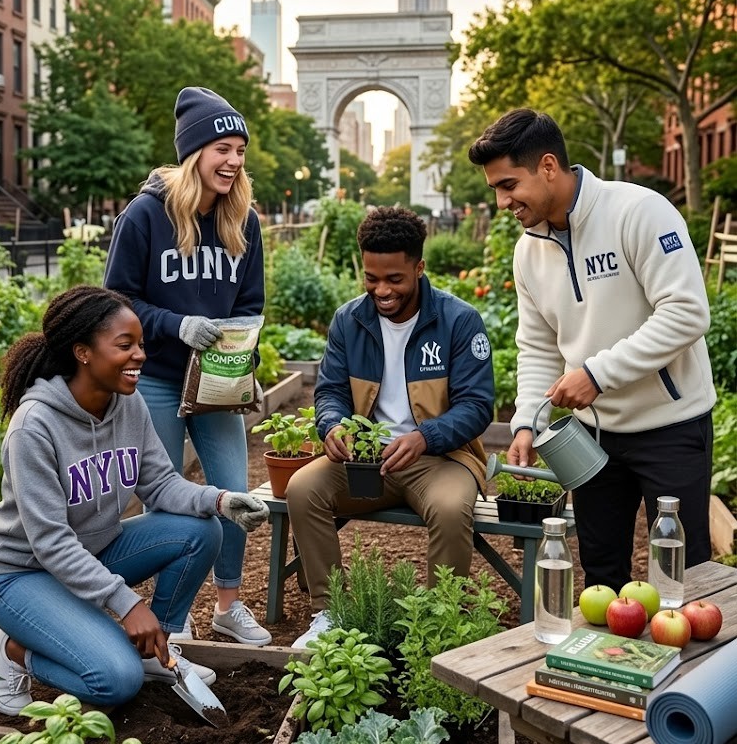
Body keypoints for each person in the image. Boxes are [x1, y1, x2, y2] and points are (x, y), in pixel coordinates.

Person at [0, 285, 269, 716]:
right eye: (125, 345)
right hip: (23, 576)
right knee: (116, 680)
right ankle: (16, 651)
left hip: (95, 553)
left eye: (141, 344)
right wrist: (128, 604)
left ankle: (159, 651)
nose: (140, 356)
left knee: (201, 530)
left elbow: (161, 486)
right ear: (83, 352)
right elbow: (51, 542)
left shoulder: (127, 405)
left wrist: (221, 500)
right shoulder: (34, 427)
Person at [467, 108, 716, 591]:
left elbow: (686, 313)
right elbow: (538, 344)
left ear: (546, 166)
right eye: (495, 188)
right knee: (601, 576)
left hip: (672, 426)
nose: (501, 201)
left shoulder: (639, 211)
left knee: (687, 575)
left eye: (508, 184)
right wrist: (527, 419)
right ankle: (612, 665)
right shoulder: (527, 250)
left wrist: (597, 374)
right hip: (592, 436)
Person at [103, 86, 271, 646]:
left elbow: (249, 302)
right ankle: (167, 616)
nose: (234, 161)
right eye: (223, 147)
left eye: (241, 150)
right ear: (194, 151)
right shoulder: (145, 216)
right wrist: (176, 325)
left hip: (218, 379)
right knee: (169, 500)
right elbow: (116, 303)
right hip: (154, 377)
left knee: (233, 493)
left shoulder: (242, 221)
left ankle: (228, 604)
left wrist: (243, 355)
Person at [285, 206, 495, 648]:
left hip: (440, 459)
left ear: (419, 268)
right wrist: (331, 426)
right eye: (371, 278)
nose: (382, 290)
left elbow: (478, 406)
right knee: (304, 489)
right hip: (366, 459)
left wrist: (426, 437)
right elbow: (330, 392)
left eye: (394, 279)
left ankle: (439, 627)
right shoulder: (349, 320)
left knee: (451, 508)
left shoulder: (458, 321)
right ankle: (331, 614)